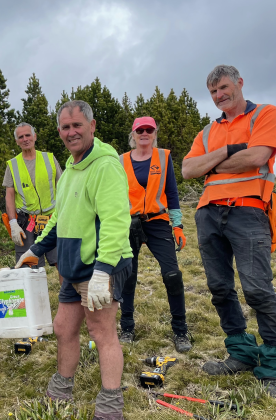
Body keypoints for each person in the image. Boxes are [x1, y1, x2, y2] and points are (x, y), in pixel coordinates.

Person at [16, 100, 133, 419]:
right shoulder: (69, 169)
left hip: (99, 266)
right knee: (64, 327)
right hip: (72, 266)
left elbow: (116, 221)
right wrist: (35, 250)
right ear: (58, 132)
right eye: (65, 127)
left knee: (101, 331)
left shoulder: (105, 166)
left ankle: (111, 403)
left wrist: (103, 271)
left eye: (77, 125)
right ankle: (62, 385)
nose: (71, 132)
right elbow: (59, 218)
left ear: (92, 126)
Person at [183, 65, 276, 396]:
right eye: (213, 92)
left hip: (249, 210)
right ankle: (241, 352)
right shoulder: (206, 131)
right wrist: (230, 151)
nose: (219, 96)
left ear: (240, 83)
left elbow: (257, 156)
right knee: (219, 288)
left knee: (257, 287)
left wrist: (210, 164)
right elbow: (187, 170)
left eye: (224, 88)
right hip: (207, 213)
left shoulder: (266, 115)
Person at [118, 116, 191, 353]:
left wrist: (177, 225)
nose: (145, 133)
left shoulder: (164, 156)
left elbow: (171, 191)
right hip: (129, 224)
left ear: (155, 132)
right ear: (133, 133)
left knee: (172, 275)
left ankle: (180, 330)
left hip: (158, 221)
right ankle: (127, 327)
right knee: (128, 276)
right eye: (140, 130)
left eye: (149, 129)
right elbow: (116, 195)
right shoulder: (121, 161)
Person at [3, 123, 63, 270]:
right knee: (29, 264)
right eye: (21, 137)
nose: (25, 139)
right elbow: (9, 196)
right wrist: (13, 223)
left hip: (52, 218)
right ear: (17, 141)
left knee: (61, 261)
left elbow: (62, 186)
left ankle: (67, 293)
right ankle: (36, 293)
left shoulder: (49, 158)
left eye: (28, 135)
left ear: (35, 137)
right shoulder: (12, 165)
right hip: (27, 221)